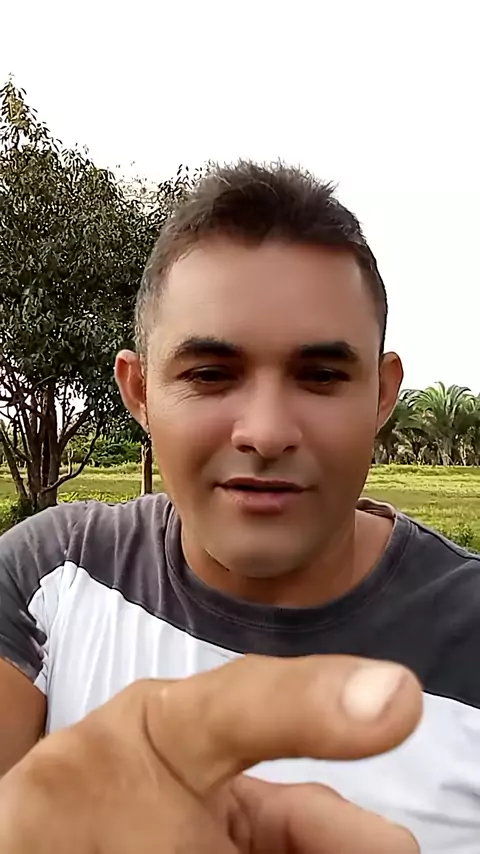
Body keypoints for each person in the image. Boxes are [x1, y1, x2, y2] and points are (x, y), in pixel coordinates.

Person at [0, 161, 478, 852]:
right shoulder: (51, 574)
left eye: (320, 376)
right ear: (139, 392)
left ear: (381, 394)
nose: (266, 432)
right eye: (210, 375)